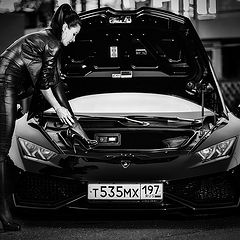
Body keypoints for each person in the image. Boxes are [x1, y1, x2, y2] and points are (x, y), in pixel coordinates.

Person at [0, 3, 97, 232]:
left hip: (7, 85)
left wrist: (74, 123)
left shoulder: (48, 39)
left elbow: (54, 83)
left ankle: (5, 209)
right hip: (3, 85)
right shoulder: (51, 43)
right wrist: (59, 110)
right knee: (1, 151)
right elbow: (44, 84)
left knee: (2, 155)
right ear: (65, 27)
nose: (73, 40)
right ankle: (4, 214)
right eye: (73, 34)